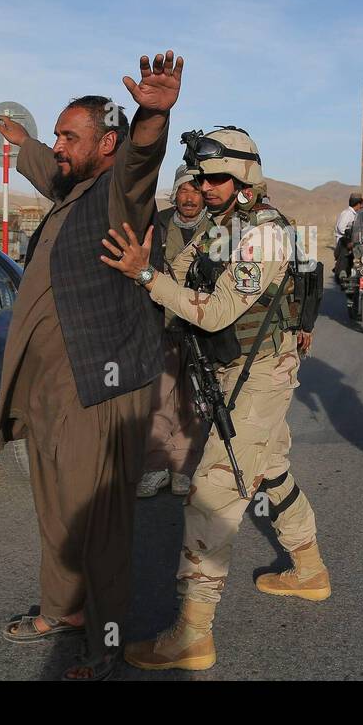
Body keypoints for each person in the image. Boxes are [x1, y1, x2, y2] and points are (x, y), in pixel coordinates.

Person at [101, 126, 327, 671]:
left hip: (260, 377)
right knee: (270, 468)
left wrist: (149, 276)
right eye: (203, 177)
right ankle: (309, 570)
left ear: (246, 175)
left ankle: (192, 635)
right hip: (237, 372)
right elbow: (179, 275)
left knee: (211, 495)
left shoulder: (266, 234)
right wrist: (147, 276)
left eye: (219, 177)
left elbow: (215, 311)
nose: (207, 187)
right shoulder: (226, 227)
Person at [0, 50, 183, 681]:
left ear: (107, 144)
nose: (57, 146)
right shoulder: (74, 184)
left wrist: (153, 119)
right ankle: (62, 612)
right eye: (55, 135)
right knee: (54, 504)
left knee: (94, 518)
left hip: (95, 382)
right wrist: (25, 144)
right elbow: (53, 172)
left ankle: (105, 644)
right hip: (53, 381)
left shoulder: (118, 193)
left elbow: (138, 164)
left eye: (68, 136)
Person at [138, 164, 210, 498]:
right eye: (184, 190)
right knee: (158, 398)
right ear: (175, 193)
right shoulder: (159, 224)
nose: (189, 197)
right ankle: (155, 467)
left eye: (196, 190)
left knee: (193, 401)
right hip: (161, 325)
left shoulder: (217, 231)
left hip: (201, 329)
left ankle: (183, 469)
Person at [334, 193, 362, 281]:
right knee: (347, 253)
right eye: (361, 205)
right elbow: (341, 228)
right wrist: (350, 234)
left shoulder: (354, 214)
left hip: (351, 239)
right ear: (358, 204)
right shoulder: (347, 213)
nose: (361, 207)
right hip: (344, 241)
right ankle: (342, 271)